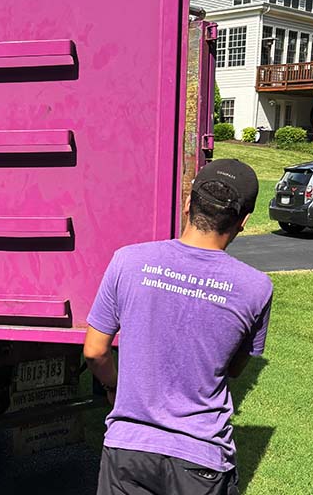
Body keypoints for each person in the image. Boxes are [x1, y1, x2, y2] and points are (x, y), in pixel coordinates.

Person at [84, 159, 273, 495]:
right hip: (201, 459)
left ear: (188, 204)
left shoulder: (128, 260)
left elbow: (95, 351)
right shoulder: (256, 288)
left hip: (128, 449)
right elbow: (233, 368)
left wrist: (114, 387)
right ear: (243, 221)